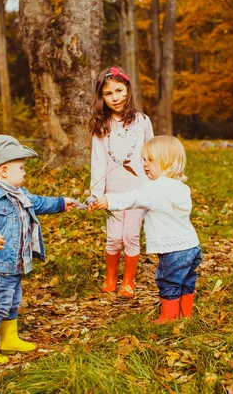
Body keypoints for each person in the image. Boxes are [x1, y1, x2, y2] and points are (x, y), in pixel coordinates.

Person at [0, 135, 76, 365]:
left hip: (15, 262)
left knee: (13, 300)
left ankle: (8, 338)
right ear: (4, 171)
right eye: (21, 168)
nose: (25, 173)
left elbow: (39, 203)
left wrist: (60, 202)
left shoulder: (21, 194)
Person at [89, 136, 202, 323]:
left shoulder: (154, 188)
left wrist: (108, 200)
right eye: (144, 159)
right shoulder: (182, 187)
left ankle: (169, 317)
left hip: (172, 249)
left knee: (169, 282)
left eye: (150, 160)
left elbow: (133, 198)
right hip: (192, 246)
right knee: (187, 281)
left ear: (168, 162)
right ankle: (185, 315)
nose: (145, 164)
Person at [89, 66, 154, 298]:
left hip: (139, 191)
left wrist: (155, 186)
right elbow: (98, 162)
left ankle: (128, 280)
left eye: (119, 90)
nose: (115, 97)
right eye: (108, 93)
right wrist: (96, 194)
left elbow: (151, 153)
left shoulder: (142, 121)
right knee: (115, 237)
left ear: (128, 89)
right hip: (112, 195)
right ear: (101, 97)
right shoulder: (101, 126)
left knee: (131, 236)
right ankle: (110, 278)